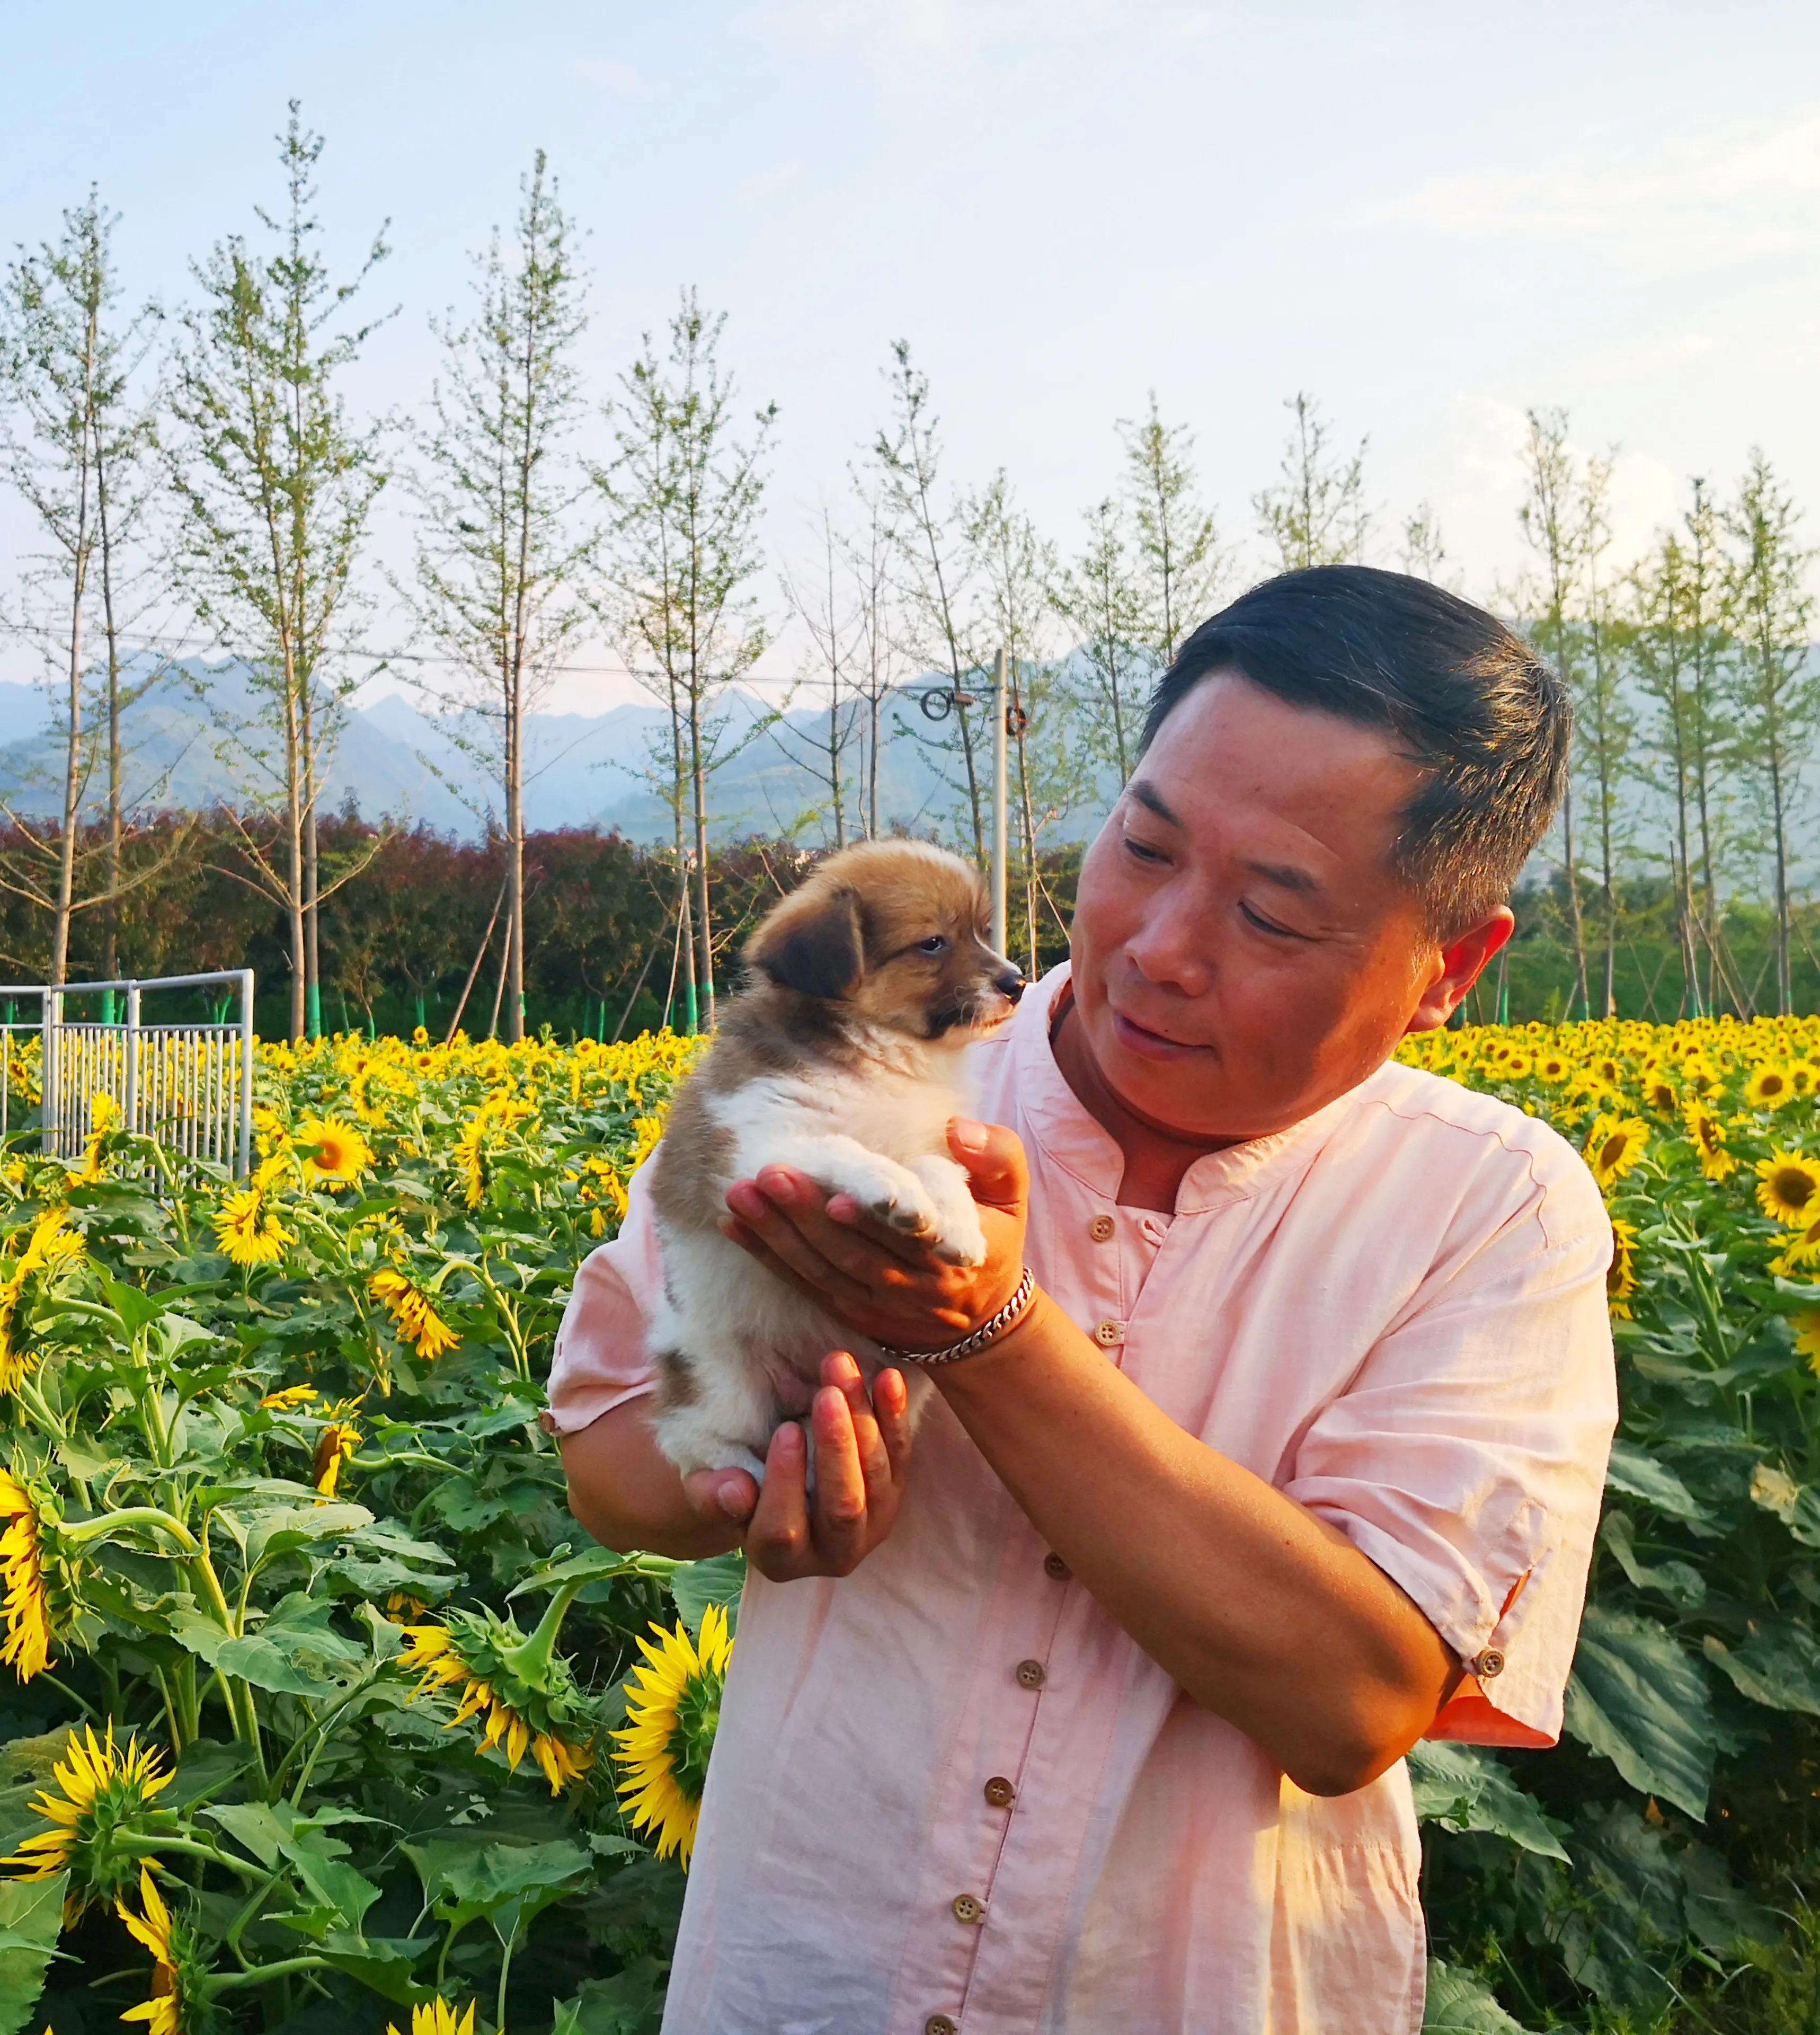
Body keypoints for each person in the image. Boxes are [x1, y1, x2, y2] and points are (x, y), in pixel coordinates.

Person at [549, 565, 1618, 2035]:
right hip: (811, 1969)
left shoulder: (1486, 1207)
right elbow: (608, 1451)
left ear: (1451, 965)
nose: (1161, 948)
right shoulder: (832, 1074)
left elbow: (1354, 1698)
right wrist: (741, 1473)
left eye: (1272, 917)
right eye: (1145, 845)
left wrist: (984, 1334)